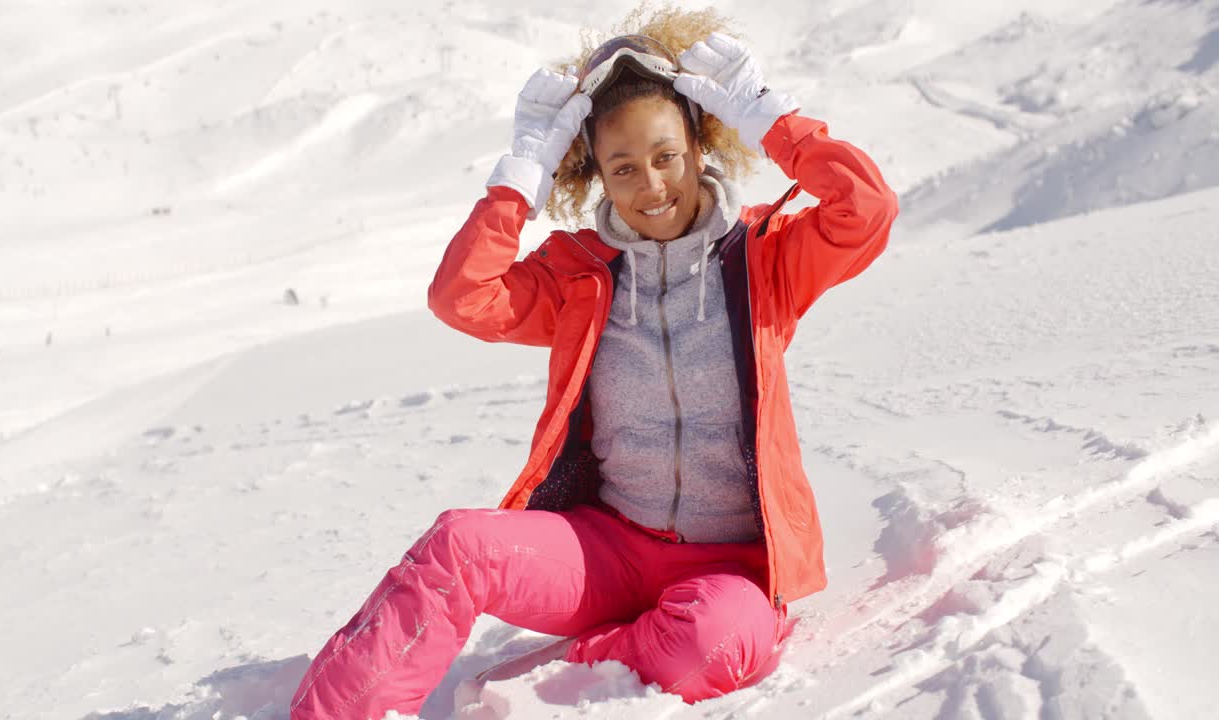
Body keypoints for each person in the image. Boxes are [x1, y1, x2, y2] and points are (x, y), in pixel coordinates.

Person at [290, 9, 897, 720]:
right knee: (460, 545)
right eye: (623, 168)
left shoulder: (765, 257)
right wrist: (522, 174)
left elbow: (868, 209)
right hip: (608, 549)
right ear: (597, 177)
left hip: (731, 567)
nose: (652, 185)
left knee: (712, 643)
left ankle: (559, 675)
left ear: (700, 143)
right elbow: (461, 297)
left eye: (665, 155)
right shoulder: (581, 275)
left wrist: (772, 118)